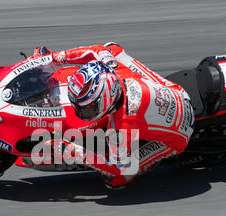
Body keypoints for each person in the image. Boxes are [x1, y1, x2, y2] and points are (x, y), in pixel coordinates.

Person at [32, 43, 195, 189]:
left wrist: (74, 151)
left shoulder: (121, 127)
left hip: (180, 131)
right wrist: (54, 57)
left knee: (117, 177)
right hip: (175, 90)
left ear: (106, 100)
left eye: (88, 109)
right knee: (112, 49)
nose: (80, 112)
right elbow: (97, 51)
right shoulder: (115, 70)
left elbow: (116, 166)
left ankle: (151, 161)